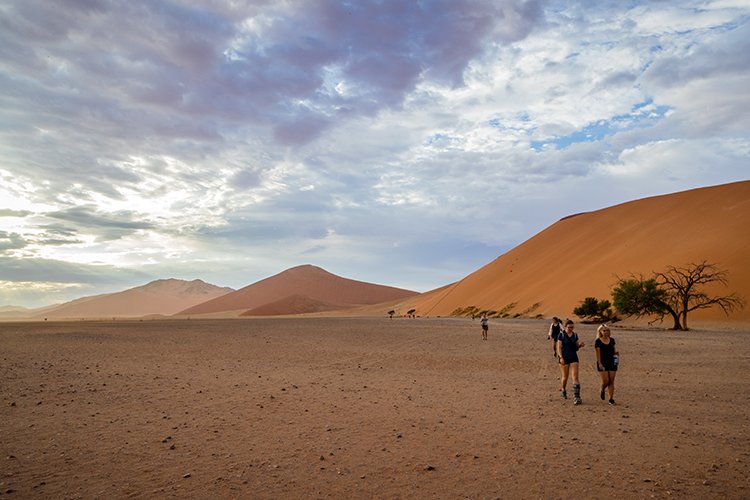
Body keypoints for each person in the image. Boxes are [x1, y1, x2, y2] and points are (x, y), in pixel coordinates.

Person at [557, 319, 585, 404]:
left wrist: (580, 345)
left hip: (573, 357)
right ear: (565, 327)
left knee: (575, 377)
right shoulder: (561, 335)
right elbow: (558, 347)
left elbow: (576, 347)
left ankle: (577, 397)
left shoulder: (575, 335)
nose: (571, 329)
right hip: (564, 357)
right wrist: (561, 357)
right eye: (569, 327)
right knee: (565, 377)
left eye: (572, 327)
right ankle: (563, 389)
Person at [595, 324, 619, 405]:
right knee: (606, 381)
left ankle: (611, 399)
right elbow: (598, 354)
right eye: (604, 330)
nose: (605, 332)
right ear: (600, 332)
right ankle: (602, 389)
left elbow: (615, 350)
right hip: (603, 362)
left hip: (612, 362)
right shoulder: (598, 341)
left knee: (611, 381)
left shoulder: (612, 340)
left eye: (607, 330)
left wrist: (616, 354)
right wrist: (600, 364)